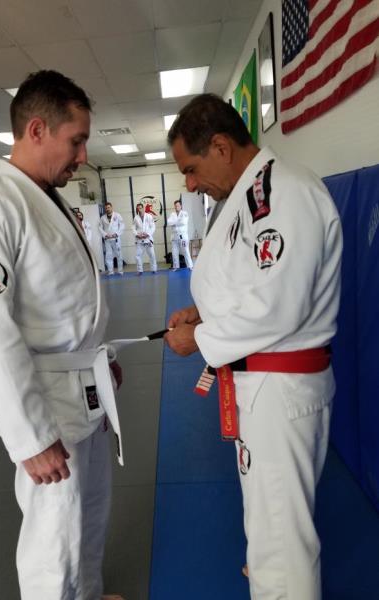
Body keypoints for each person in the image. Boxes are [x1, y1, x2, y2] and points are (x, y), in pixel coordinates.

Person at [0, 70, 124, 600]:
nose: (83, 155)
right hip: (45, 407)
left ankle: (88, 594)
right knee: (53, 540)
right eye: (76, 141)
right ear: (38, 130)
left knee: (90, 514)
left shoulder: (46, 198)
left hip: (83, 392)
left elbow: (65, 301)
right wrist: (29, 436)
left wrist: (96, 357)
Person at [164, 93, 342, 600]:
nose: (190, 184)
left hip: (279, 390)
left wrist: (200, 338)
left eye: (191, 169)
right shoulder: (248, 196)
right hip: (261, 386)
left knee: (283, 542)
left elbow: (279, 306)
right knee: (270, 527)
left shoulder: (283, 193)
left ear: (221, 147)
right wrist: (205, 314)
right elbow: (254, 285)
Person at [167, 199, 193, 270]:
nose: (177, 207)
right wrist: (177, 221)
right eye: (175, 206)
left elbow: (183, 222)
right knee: (174, 252)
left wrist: (174, 222)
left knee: (185, 251)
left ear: (181, 206)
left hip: (182, 236)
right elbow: (169, 222)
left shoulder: (184, 213)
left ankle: (190, 266)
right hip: (174, 236)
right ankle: (176, 266)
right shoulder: (172, 214)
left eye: (178, 206)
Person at [99, 202, 125, 275]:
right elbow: (100, 228)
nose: (107, 209)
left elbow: (122, 225)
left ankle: (120, 271)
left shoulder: (117, 215)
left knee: (119, 255)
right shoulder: (103, 218)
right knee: (108, 256)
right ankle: (110, 271)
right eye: (106, 208)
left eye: (108, 207)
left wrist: (116, 234)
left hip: (115, 238)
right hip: (107, 239)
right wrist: (105, 235)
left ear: (111, 207)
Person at [132, 202, 157, 275]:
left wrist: (148, 234)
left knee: (152, 255)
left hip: (148, 239)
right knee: (138, 256)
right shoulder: (136, 218)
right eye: (138, 209)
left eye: (141, 208)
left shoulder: (149, 216)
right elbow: (133, 228)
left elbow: (153, 227)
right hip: (139, 239)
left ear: (143, 208)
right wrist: (137, 234)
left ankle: (154, 269)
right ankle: (140, 270)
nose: (140, 210)